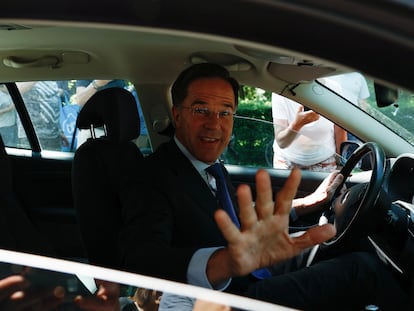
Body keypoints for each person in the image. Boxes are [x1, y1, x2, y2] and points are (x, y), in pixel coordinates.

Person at [119, 63, 408, 310]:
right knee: (363, 270)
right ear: (177, 115)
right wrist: (226, 262)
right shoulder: (153, 175)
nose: (214, 124)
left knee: (336, 243)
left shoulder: (210, 167)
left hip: (253, 267)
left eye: (225, 112)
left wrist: (304, 204)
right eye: (201, 109)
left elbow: (233, 219)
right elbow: (143, 258)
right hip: (224, 299)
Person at [272, 92, 347, 172]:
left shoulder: (333, 89)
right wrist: (297, 125)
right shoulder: (281, 93)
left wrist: (342, 165)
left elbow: (339, 131)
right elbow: (281, 142)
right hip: (287, 162)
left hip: (325, 162)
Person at [16, 81, 68, 151]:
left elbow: (53, 105)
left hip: (54, 135)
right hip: (32, 135)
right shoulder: (25, 76)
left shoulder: (52, 81)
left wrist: (60, 130)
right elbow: (16, 90)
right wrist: (37, 76)